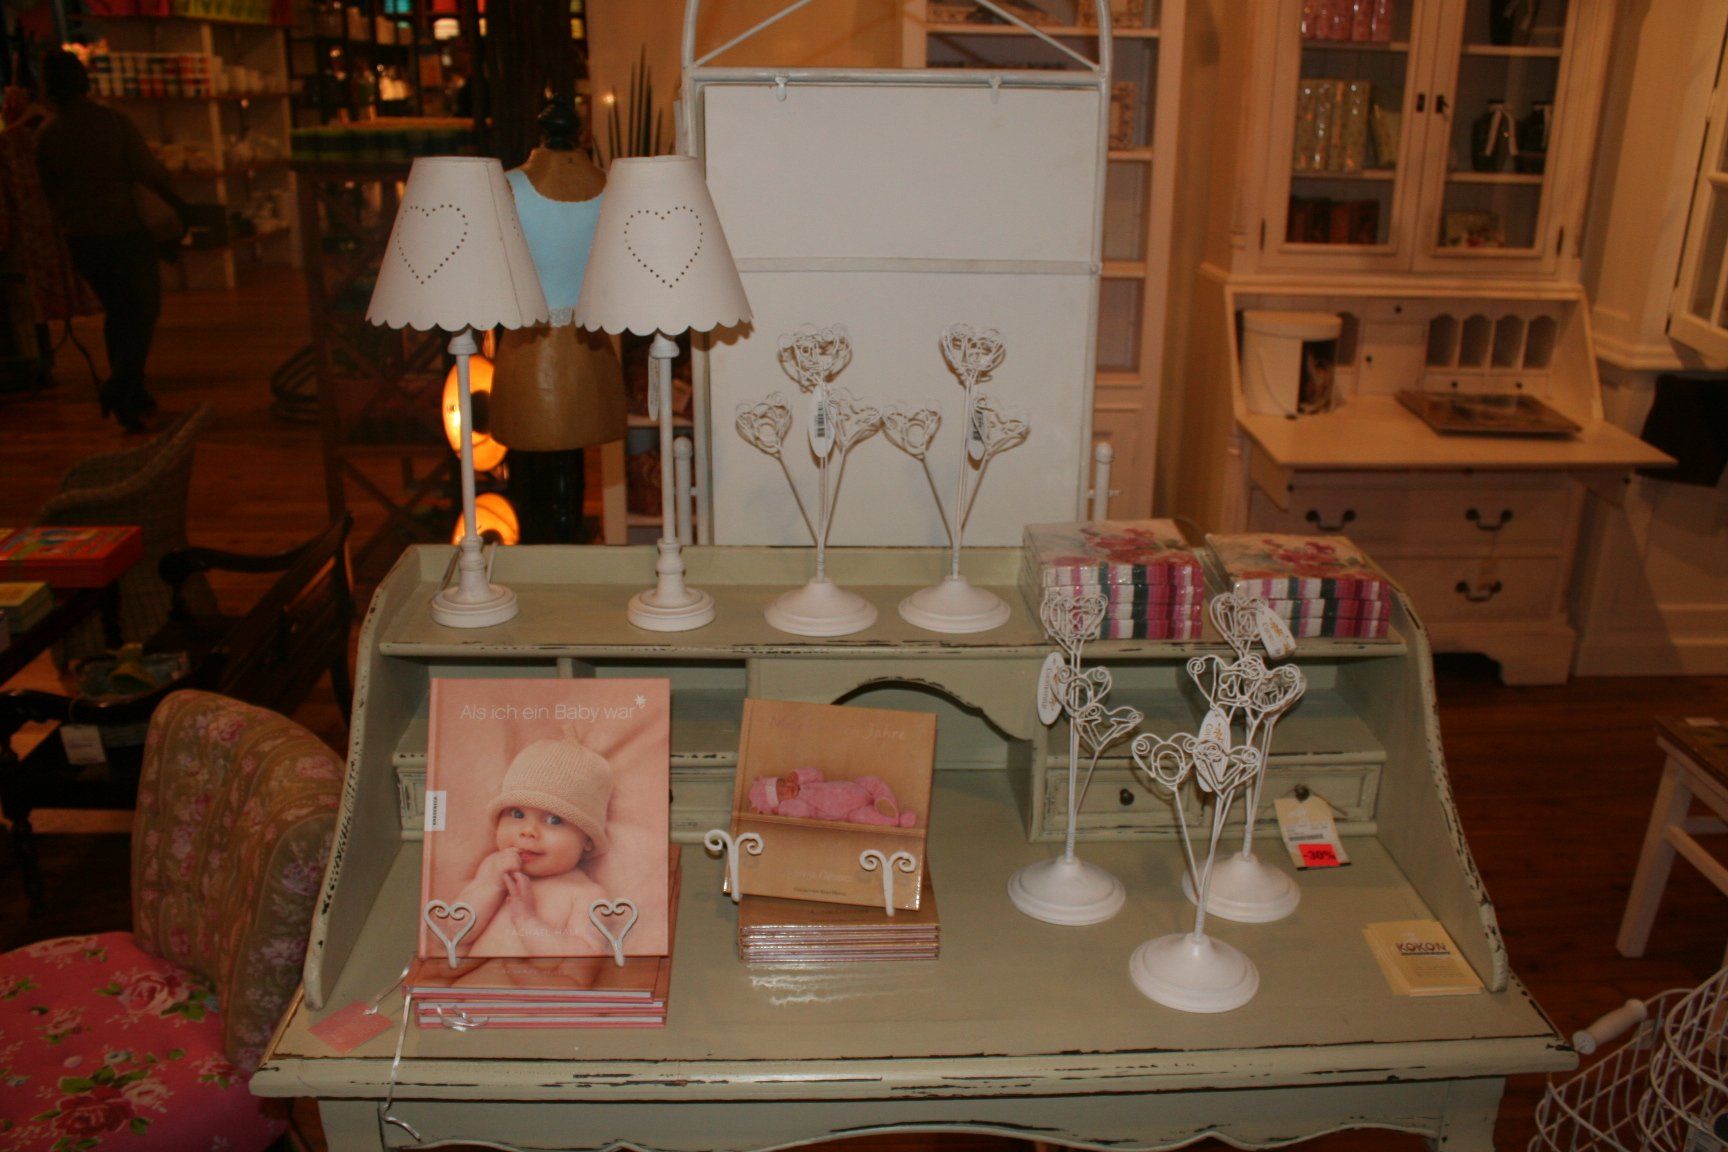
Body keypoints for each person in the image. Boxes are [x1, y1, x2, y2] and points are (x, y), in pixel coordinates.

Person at [34, 50, 189, 431]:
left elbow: (48, 190)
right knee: (143, 311)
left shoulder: (47, 135)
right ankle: (119, 387)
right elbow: (148, 171)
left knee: (118, 312)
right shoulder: (113, 123)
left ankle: (132, 392)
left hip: (81, 236)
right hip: (124, 229)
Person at [455, 738, 614, 957]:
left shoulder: (586, 895)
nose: (528, 831)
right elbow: (454, 933)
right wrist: (491, 885)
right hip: (475, 979)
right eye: (517, 814)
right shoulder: (493, 868)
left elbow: (585, 961)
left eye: (554, 820)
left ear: (587, 839)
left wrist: (527, 920)